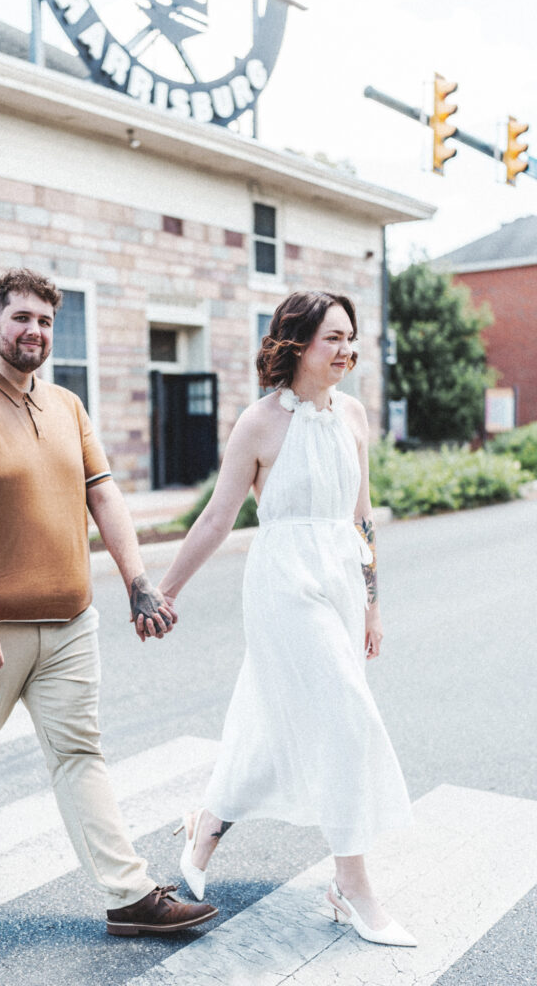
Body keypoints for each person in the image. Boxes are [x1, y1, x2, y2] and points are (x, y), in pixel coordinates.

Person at [0, 267, 217, 937]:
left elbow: (102, 494)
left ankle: (129, 896)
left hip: (70, 621)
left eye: (45, 322)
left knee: (80, 752)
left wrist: (138, 583)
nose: (34, 331)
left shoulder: (67, 406)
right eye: (21, 317)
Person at [153, 290, 417, 947]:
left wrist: (374, 603)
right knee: (346, 715)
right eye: (333, 337)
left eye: (351, 336)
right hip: (283, 584)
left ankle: (206, 825)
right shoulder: (260, 424)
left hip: (340, 583)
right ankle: (352, 885)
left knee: (278, 718)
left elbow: (361, 519)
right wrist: (166, 590)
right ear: (297, 343)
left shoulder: (355, 417)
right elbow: (217, 517)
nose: (347, 349)